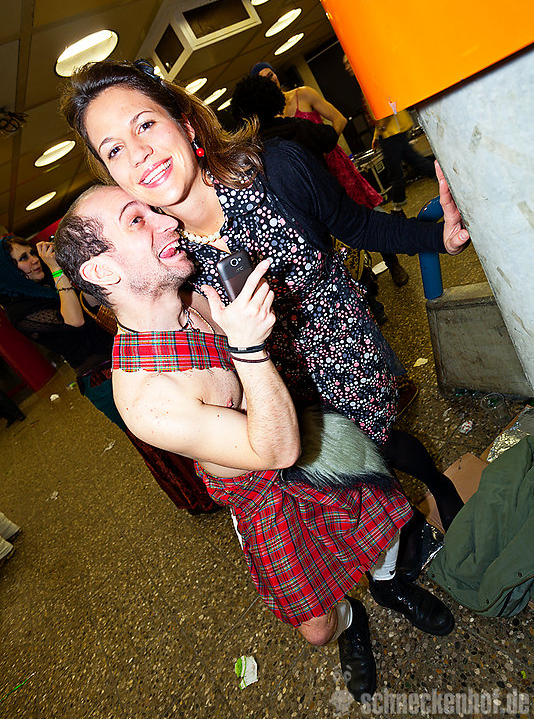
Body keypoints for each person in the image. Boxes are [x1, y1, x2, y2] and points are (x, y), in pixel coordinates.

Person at [54, 183, 455, 701]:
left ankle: (390, 586)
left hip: (306, 433)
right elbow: (275, 452)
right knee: (316, 628)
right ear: (103, 270)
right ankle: (350, 617)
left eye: (154, 211)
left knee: (382, 532)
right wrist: (247, 347)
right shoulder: (146, 397)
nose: (167, 222)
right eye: (137, 220)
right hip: (260, 491)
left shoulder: (193, 294)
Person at [59, 58, 468, 533]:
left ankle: (438, 486)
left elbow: (358, 225)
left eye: (146, 124)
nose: (138, 154)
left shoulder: (275, 169)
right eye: (113, 150)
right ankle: (401, 536)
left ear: (185, 125)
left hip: (344, 343)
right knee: (341, 470)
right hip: (268, 378)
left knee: (380, 443)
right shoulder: (162, 252)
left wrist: (437, 238)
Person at [0, 235, 218, 514]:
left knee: (178, 420)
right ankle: (198, 497)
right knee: (155, 440)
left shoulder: (46, 287)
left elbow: (93, 302)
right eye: (23, 259)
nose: (33, 260)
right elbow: (74, 320)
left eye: (32, 253)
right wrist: (56, 271)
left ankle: (219, 480)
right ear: (8, 272)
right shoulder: (21, 311)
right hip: (101, 377)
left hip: (125, 359)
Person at [249, 62, 410, 288]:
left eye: (271, 75)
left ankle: (393, 263)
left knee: (363, 211)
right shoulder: (269, 117)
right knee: (335, 227)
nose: (270, 80)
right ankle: (362, 277)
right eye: (263, 79)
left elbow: (339, 119)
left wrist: (325, 145)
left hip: (334, 163)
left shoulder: (303, 94)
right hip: (311, 175)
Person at [342, 55, 436, 212]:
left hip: (392, 131)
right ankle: (440, 178)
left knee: (395, 170)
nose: (346, 68)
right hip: (390, 131)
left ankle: (398, 206)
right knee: (413, 161)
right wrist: (376, 135)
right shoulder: (366, 80)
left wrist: (381, 129)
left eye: (347, 63)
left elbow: (386, 106)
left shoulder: (370, 80)